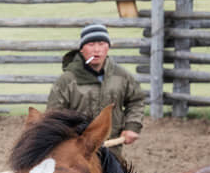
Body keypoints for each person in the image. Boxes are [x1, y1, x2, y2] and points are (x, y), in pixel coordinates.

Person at [47, 24, 145, 157]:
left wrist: (132, 126)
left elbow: (136, 100)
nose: (97, 50)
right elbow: (54, 115)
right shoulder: (67, 80)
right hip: (78, 151)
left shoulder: (122, 76)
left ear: (108, 47)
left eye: (101, 43)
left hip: (112, 147)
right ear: (82, 49)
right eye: (91, 44)